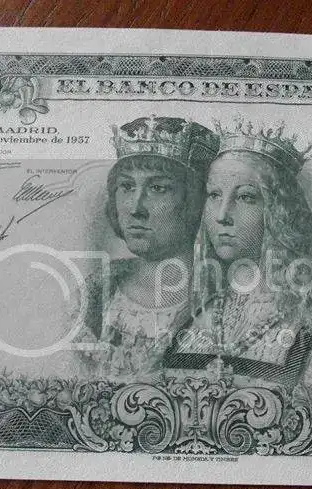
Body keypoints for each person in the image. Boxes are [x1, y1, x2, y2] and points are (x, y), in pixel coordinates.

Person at [163, 120, 312, 389]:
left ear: (278, 211)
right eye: (214, 195)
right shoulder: (197, 316)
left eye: (245, 197)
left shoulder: (305, 318)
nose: (222, 215)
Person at [76, 116, 219, 379]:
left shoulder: (222, 300)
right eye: (127, 186)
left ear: (195, 202)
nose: (135, 208)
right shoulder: (94, 295)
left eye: (157, 188)